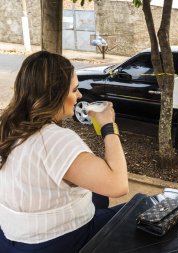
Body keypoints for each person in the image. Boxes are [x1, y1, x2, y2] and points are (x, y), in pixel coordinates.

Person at [0, 51, 129, 253]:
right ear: (55, 95)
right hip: (54, 242)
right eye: (74, 90)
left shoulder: (7, 126)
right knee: (140, 211)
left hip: (11, 236)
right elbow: (119, 185)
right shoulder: (54, 140)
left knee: (99, 197)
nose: (79, 96)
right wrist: (109, 127)